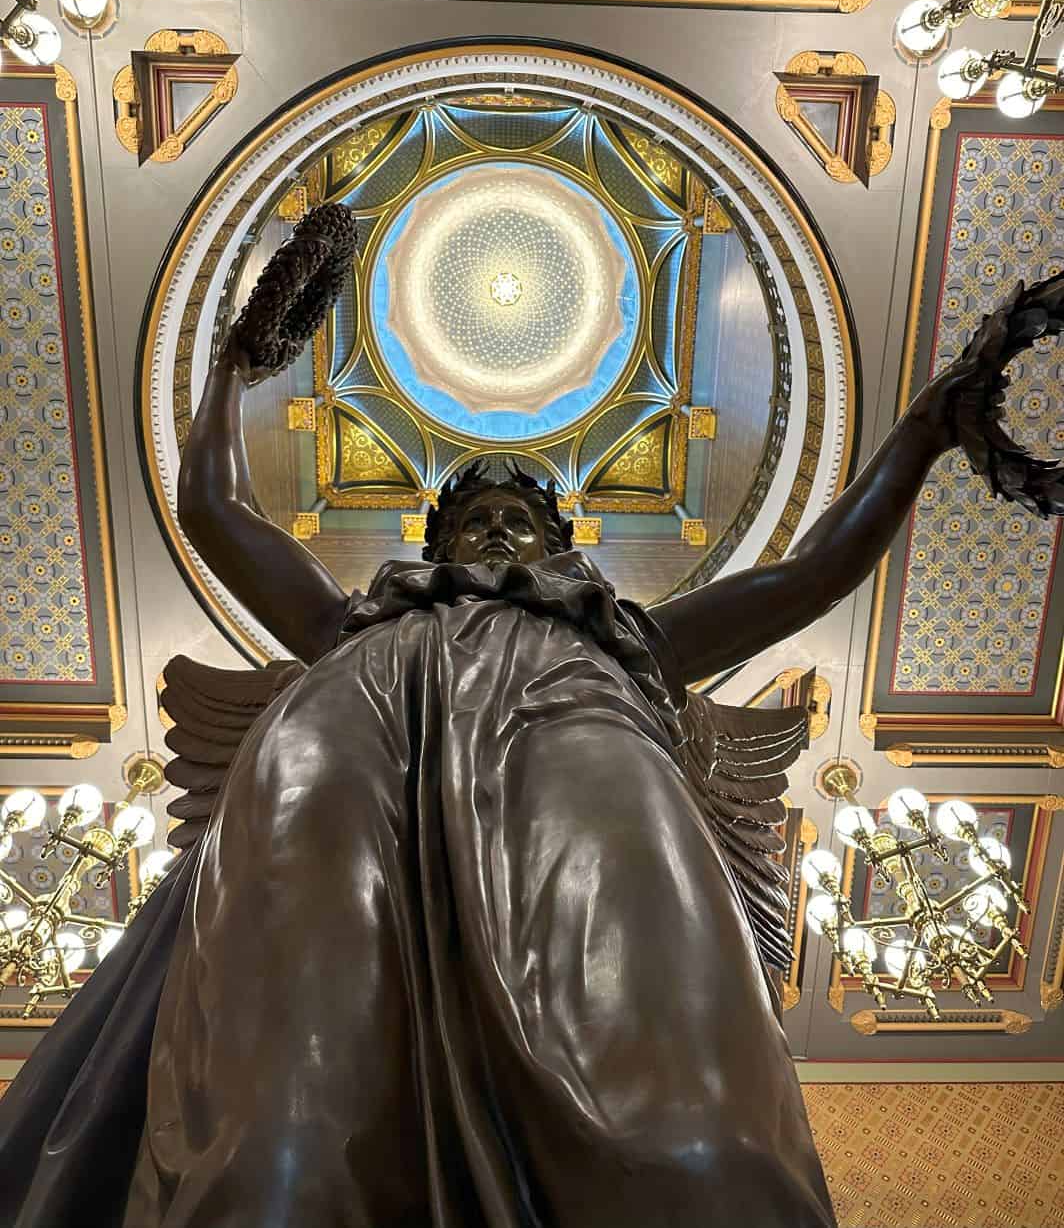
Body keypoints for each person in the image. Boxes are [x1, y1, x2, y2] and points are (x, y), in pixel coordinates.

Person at [0, 209, 986, 1228]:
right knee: (285, 1119)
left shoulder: (621, 634)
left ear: (561, 541)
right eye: (474, 516)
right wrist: (231, 371)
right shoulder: (353, 618)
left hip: (574, 722)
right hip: (350, 721)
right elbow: (210, 507)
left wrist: (921, 434)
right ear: (437, 539)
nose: (500, 524)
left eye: (522, 516)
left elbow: (811, 573)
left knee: (685, 1129)